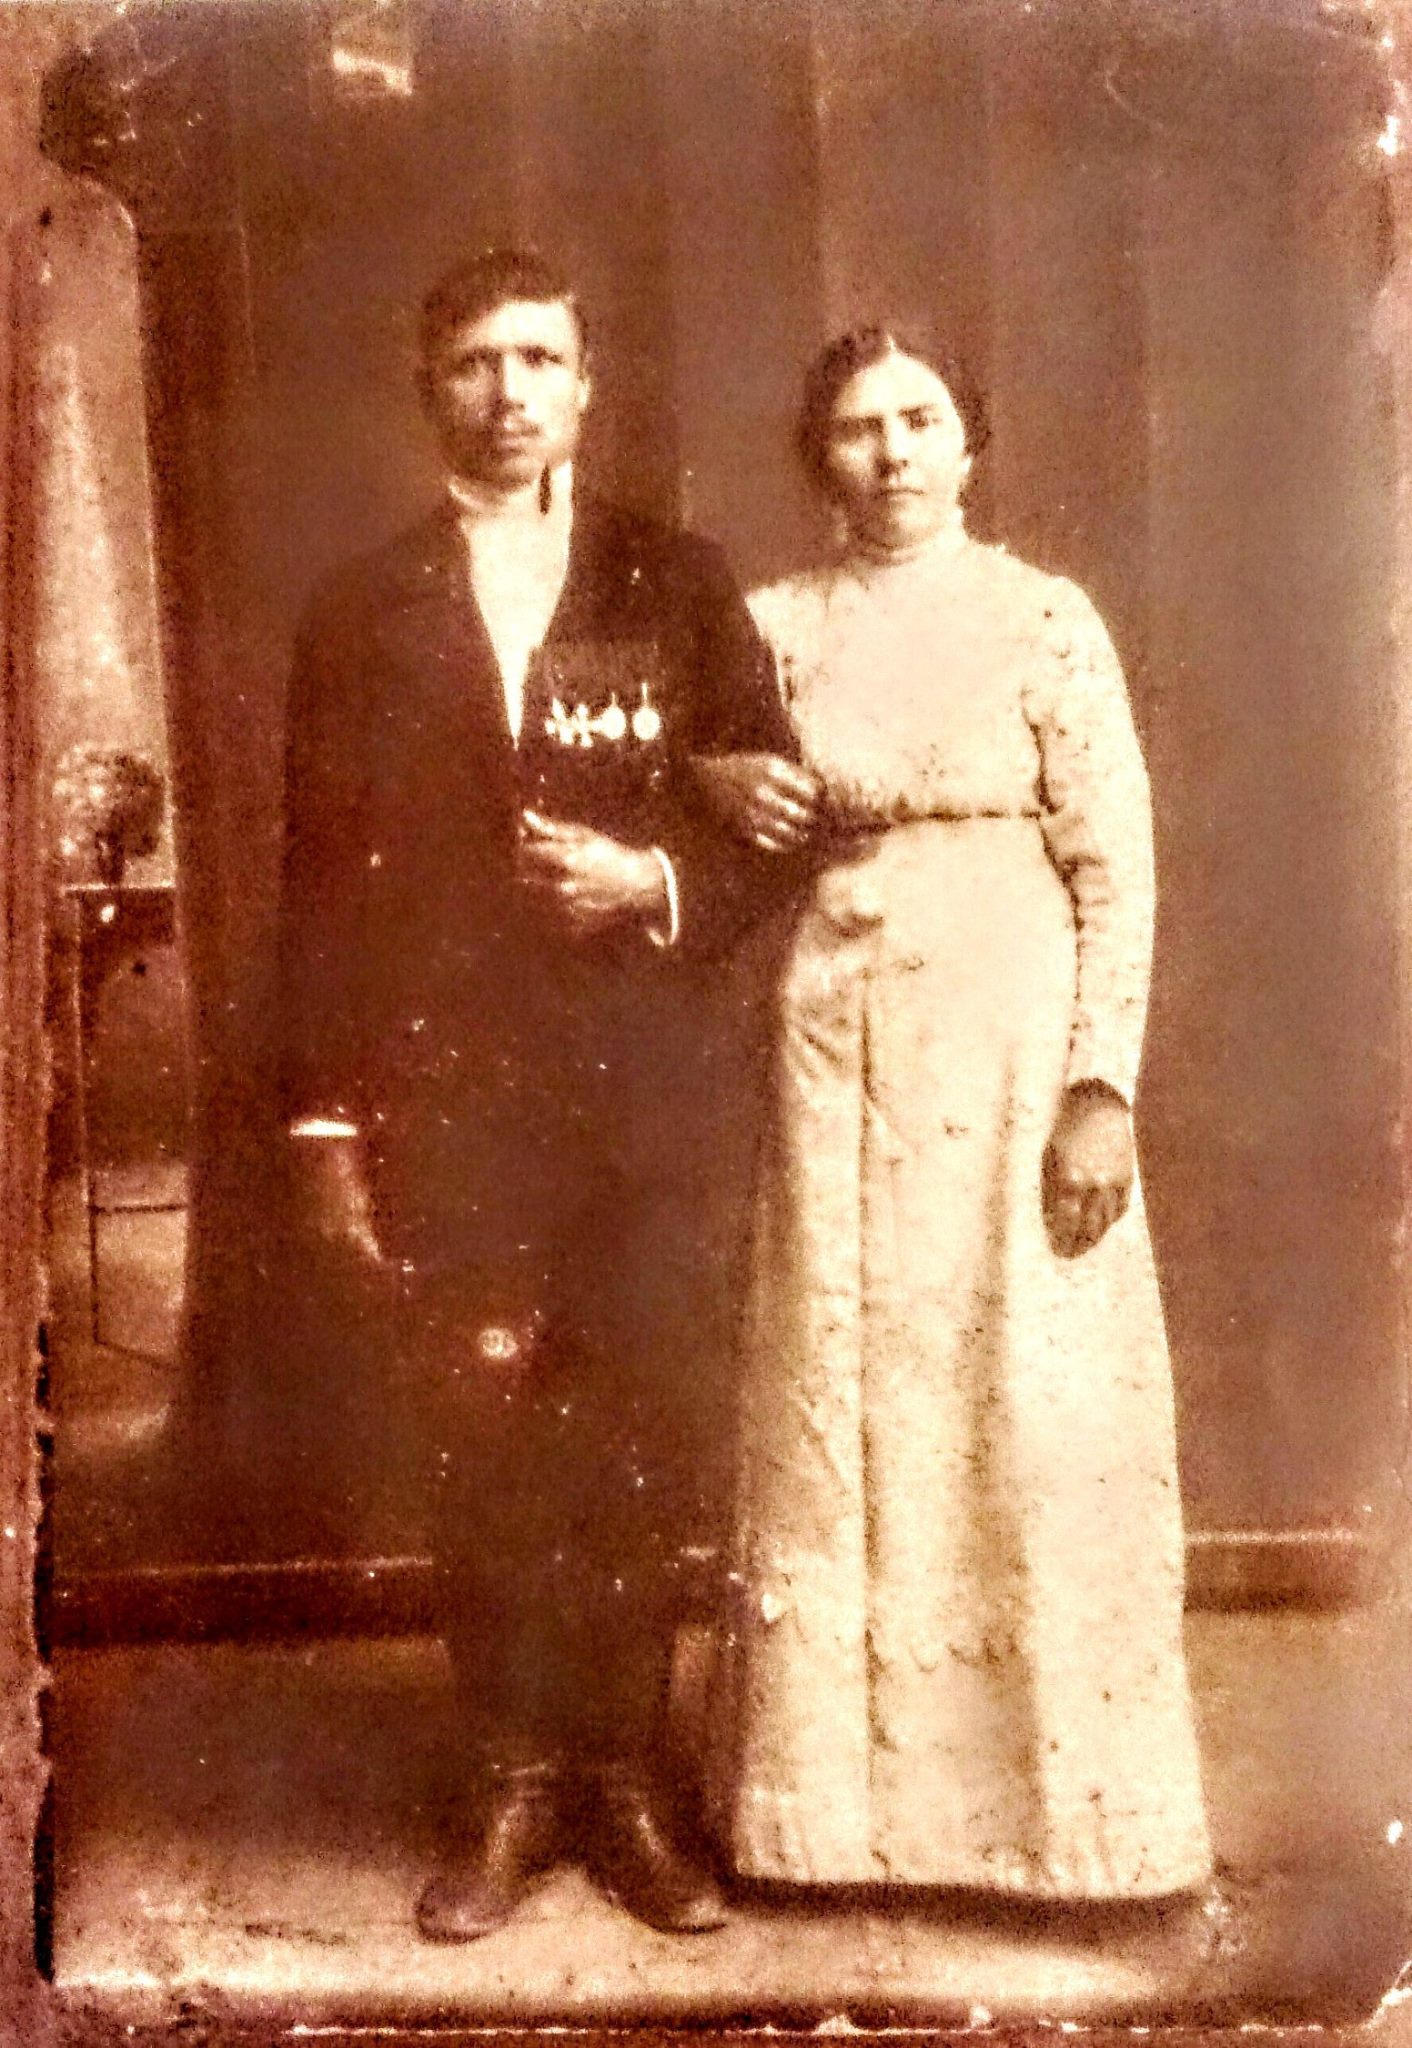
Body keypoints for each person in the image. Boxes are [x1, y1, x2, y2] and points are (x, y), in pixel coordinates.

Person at [279, 248, 788, 1941]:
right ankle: (509, 1778)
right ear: (428, 387)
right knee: (484, 1435)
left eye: (540, 360)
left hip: (646, 1096)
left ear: (587, 386)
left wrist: (651, 880)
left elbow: (771, 823)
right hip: (452, 1099)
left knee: (636, 1435)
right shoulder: (361, 608)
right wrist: (328, 1126)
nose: (509, 393)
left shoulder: (677, 577)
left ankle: (625, 1785)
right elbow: (317, 886)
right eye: (476, 362)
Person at [699, 327, 1213, 1902]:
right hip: (838, 1036)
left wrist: (1100, 1088)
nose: (893, 452)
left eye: (920, 419)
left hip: (1011, 1037)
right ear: (820, 458)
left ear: (969, 441)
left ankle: (1070, 1830)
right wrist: (714, 783)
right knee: (846, 1379)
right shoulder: (769, 628)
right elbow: (693, 807)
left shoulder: (1046, 620)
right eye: (858, 427)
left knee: (1022, 1381)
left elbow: (1117, 865)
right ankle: (832, 1826)